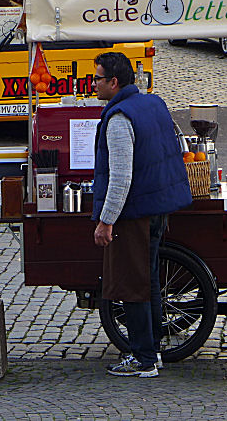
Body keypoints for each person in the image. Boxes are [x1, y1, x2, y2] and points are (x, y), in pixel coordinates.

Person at [91, 52, 192, 378]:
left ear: (114, 82)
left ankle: (143, 359)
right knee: (147, 281)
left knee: (131, 285)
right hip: (158, 207)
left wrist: (106, 221)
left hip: (133, 213)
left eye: (98, 79)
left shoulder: (119, 118)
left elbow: (121, 177)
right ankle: (152, 353)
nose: (94, 84)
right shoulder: (153, 103)